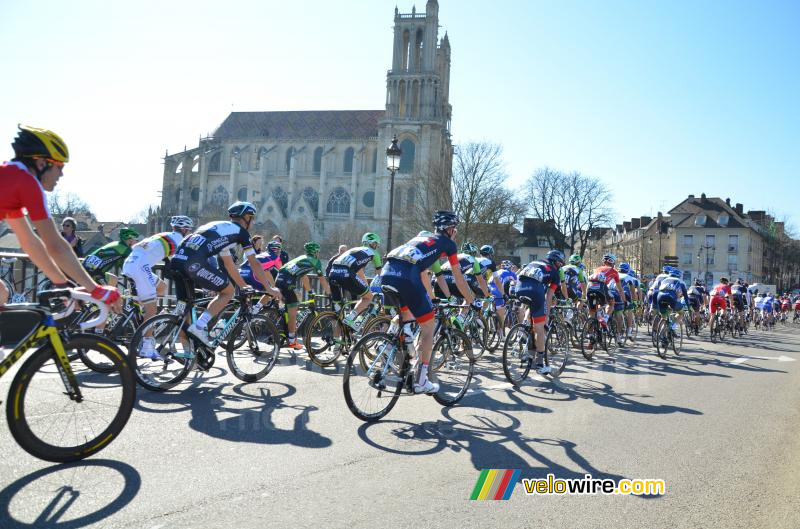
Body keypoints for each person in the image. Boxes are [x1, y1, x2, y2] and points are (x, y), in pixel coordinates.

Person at [0, 125, 119, 309]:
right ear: (41, 163)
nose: (61, 174)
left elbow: (29, 242)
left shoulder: (10, 179)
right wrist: (94, 289)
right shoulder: (27, 182)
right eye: (59, 166)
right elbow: (55, 245)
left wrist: (62, 284)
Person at [380, 211, 474, 394]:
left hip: (387, 273)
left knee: (406, 315)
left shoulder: (420, 240)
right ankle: (421, 380)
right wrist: (473, 301)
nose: (455, 232)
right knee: (428, 327)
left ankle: (389, 345)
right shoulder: (448, 244)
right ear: (449, 229)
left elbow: (422, 274)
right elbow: (459, 278)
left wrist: (430, 297)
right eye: (454, 228)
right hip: (406, 277)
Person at [170, 201, 282, 351]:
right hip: (193, 262)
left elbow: (229, 264)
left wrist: (243, 285)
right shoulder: (241, 233)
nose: (253, 221)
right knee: (228, 291)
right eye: (252, 218)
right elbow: (254, 263)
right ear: (246, 218)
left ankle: (188, 356)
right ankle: (200, 326)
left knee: (186, 311)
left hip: (177, 261)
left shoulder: (221, 229)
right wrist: (269, 288)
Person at [122, 215, 194, 358]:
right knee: (151, 307)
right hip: (141, 266)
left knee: (162, 287)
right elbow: (183, 264)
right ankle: (147, 346)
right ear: (185, 230)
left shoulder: (165, 235)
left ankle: (143, 313)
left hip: (131, 263)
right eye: (189, 231)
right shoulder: (180, 240)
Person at [515, 250, 565, 374]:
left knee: (529, 308)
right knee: (540, 327)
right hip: (534, 291)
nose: (560, 267)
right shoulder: (555, 272)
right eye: (560, 264)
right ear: (555, 262)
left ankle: (525, 332)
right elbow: (549, 297)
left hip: (518, 288)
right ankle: (539, 364)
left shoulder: (533, 262)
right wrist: (546, 314)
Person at [274, 242, 331, 349]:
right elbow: (322, 280)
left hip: (280, 278)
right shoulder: (315, 261)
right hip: (287, 281)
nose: (319, 254)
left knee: (297, 296)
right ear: (315, 252)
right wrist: (329, 293)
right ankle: (292, 341)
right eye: (318, 252)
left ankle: (283, 324)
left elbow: (303, 276)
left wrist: (310, 291)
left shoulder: (302, 258)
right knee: (293, 311)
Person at [328, 233, 383, 329]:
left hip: (333, 273)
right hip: (346, 273)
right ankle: (350, 318)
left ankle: (337, 342)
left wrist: (366, 287)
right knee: (368, 298)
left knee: (337, 313)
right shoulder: (374, 253)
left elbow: (359, 272)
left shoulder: (354, 250)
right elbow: (380, 274)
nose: (376, 246)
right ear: (370, 244)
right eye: (375, 244)